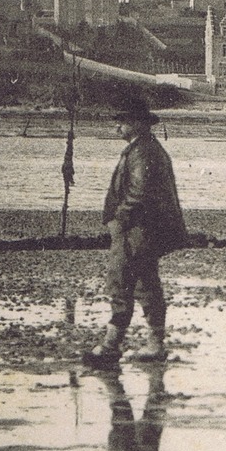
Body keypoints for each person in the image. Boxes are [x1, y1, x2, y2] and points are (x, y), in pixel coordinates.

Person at [83, 95, 188, 368]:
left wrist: (119, 219)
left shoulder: (142, 152)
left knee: (122, 282)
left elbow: (139, 193)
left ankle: (110, 346)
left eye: (123, 122)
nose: (117, 127)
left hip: (136, 230)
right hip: (144, 229)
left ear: (139, 124)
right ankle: (155, 344)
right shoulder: (144, 148)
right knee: (145, 284)